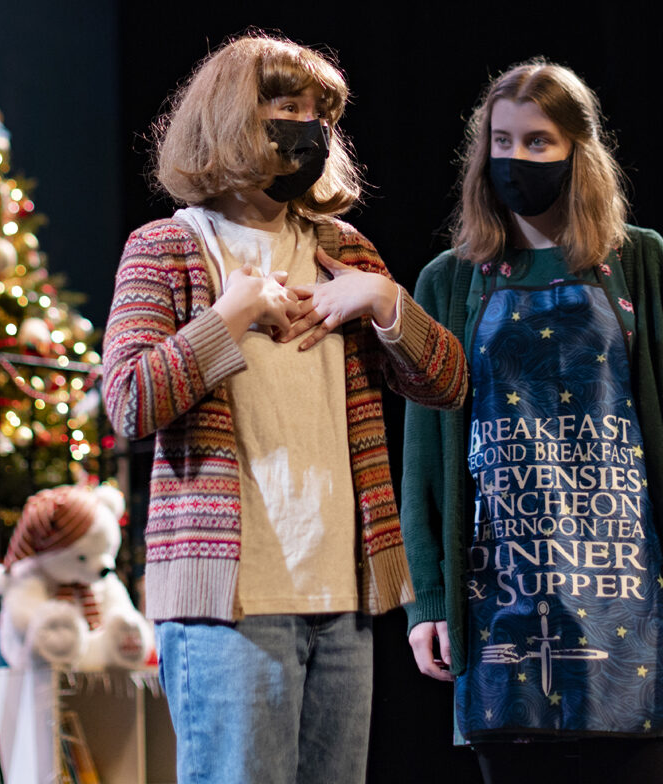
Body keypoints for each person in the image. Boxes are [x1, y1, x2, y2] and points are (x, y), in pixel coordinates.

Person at [102, 33, 467, 784]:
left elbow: (448, 383)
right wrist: (228, 317)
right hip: (227, 604)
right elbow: (130, 401)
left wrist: (387, 301)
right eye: (286, 106)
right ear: (232, 117)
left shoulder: (345, 249)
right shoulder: (166, 249)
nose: (308, 126)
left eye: (319, 112)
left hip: (341, 592)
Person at [401, 58, 663, 783]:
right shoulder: (449, 278)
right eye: (503, 141)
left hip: (629, 595)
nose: (516, 158)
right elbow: (423, 458)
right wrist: (428, 598)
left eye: (539, 142)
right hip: (500, 598)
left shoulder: (639, 262)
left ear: (579, 150)